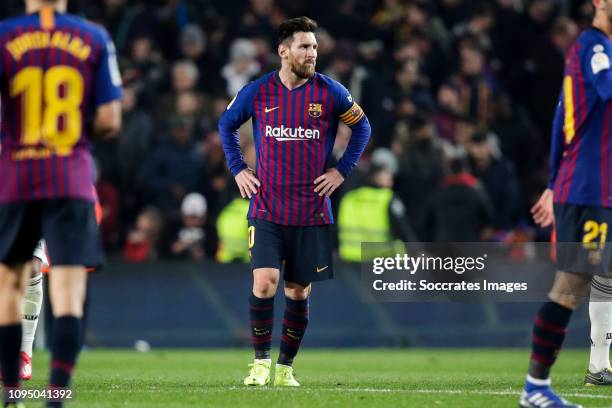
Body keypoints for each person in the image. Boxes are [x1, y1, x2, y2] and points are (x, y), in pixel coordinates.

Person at [218, 16, 370, 387]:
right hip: (267, 207)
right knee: (266, 281)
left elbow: (363, 127)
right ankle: (259, 364)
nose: (312, 53)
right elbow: (226, 124)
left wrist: (341, 171)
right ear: (283, 51)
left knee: (297, 290)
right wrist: (238, 168)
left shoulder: (331, 92)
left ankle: (286, 368)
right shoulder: (259, 91)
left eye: (315, 47)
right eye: (305, 46)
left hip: (311, 209)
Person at [0, 1, 122, 407]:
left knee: (11, 284)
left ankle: (12, 392)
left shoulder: (6, 36)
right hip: (70, 177)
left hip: (16, 175)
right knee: (68, 290)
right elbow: (110, 120)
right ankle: (56, 396)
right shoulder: (94, 38)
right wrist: (68, 129)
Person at [523, 1, 612, 406]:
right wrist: (557, 183)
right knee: (573, 285)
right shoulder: (593, 46)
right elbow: (607, 88)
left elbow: (565, 120)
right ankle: (536, 386)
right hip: (590, 190)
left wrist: (551, 184)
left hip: (596, 188)